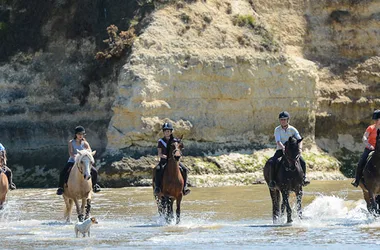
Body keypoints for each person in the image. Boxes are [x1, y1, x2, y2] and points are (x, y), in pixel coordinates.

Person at [268, 111, 310, 189]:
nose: (283, 121)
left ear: (288, 120)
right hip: (281, 150)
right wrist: (283, 147)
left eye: (284, 119)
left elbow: (300, 140)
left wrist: (300, 149)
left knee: (303, 162)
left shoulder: (293, 129)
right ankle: (272, 181)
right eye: (281, 120)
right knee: (272, 162)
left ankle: (304, 179)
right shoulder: (277, 129)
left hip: (291, 151)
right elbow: (278, 141)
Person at [56, 126, 101, 195]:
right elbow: (71, 153)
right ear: (76, 134)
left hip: (83, 162)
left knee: (94, 171)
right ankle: (61, 187)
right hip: (73, 161)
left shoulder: (85, 143)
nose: (80, 136)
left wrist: (87, 157)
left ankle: (94, 185)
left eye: (82, 134)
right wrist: (77, 158)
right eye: (79, 134)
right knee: (63, 172)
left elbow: (89, 152)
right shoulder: (71, 142)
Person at [153, 122, 191, 196]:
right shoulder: (161, 141)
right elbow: (159, 153)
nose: (166, 132)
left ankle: (184, 187)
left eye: (168, 131)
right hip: (164, 160)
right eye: (165, 131)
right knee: (157, 169)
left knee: (185, 169)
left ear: (171, 132)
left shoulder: (175, 141)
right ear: (163, 132)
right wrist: (164, 156)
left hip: (174, 161)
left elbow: (179, 149)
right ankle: (157, 187)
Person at [351, 110, 380, 187]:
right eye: (375, 120)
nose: (376, 121)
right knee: (361, 162)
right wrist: (368, 144)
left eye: (377, 120)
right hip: (370, 148)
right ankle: (357, 180)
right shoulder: (370, 128)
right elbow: (364, 137)